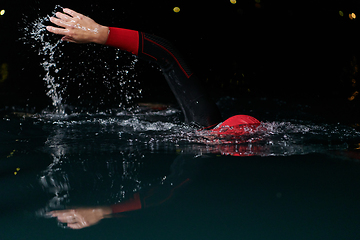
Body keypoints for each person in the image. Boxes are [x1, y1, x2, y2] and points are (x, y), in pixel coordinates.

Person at [45, 8, 261, 229]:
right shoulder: (205, 128)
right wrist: (102, 33)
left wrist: (105, 212)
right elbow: (169, 56)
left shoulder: (204, 142)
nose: (216, 138)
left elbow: (166, 194)